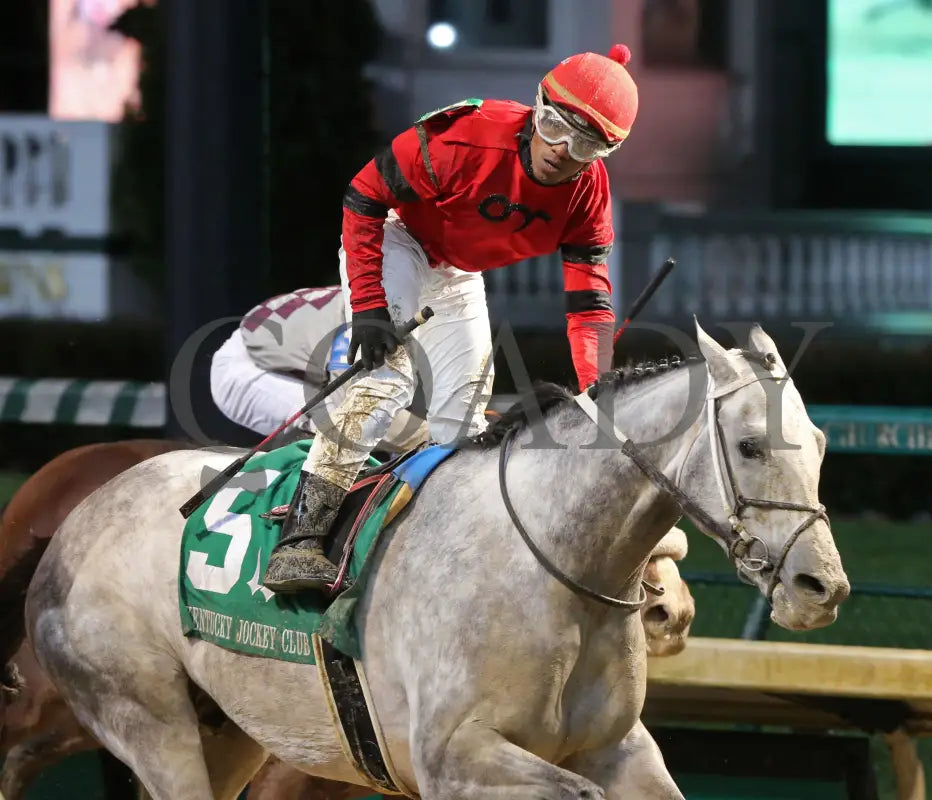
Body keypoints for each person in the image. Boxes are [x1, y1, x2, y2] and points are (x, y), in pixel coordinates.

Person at [262, 44, 639, 593]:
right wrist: (368, 305)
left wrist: (596, 385)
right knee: (385, 383)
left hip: (458, 270)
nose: (561, 150)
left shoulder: (588, 197)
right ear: (537, 106)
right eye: (554, 125)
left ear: (605, 153)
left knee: (465, 422)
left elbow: (589, 303)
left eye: (585, 143)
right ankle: (300, 539)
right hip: (397, 237)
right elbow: (363, 197)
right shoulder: (467, 137)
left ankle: (450, 547)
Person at [209, 285, 428, 451]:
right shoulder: (360, 327)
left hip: (280, 348)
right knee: (340, 423)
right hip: (246, 369)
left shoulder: (388, 293)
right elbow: (361, 413)